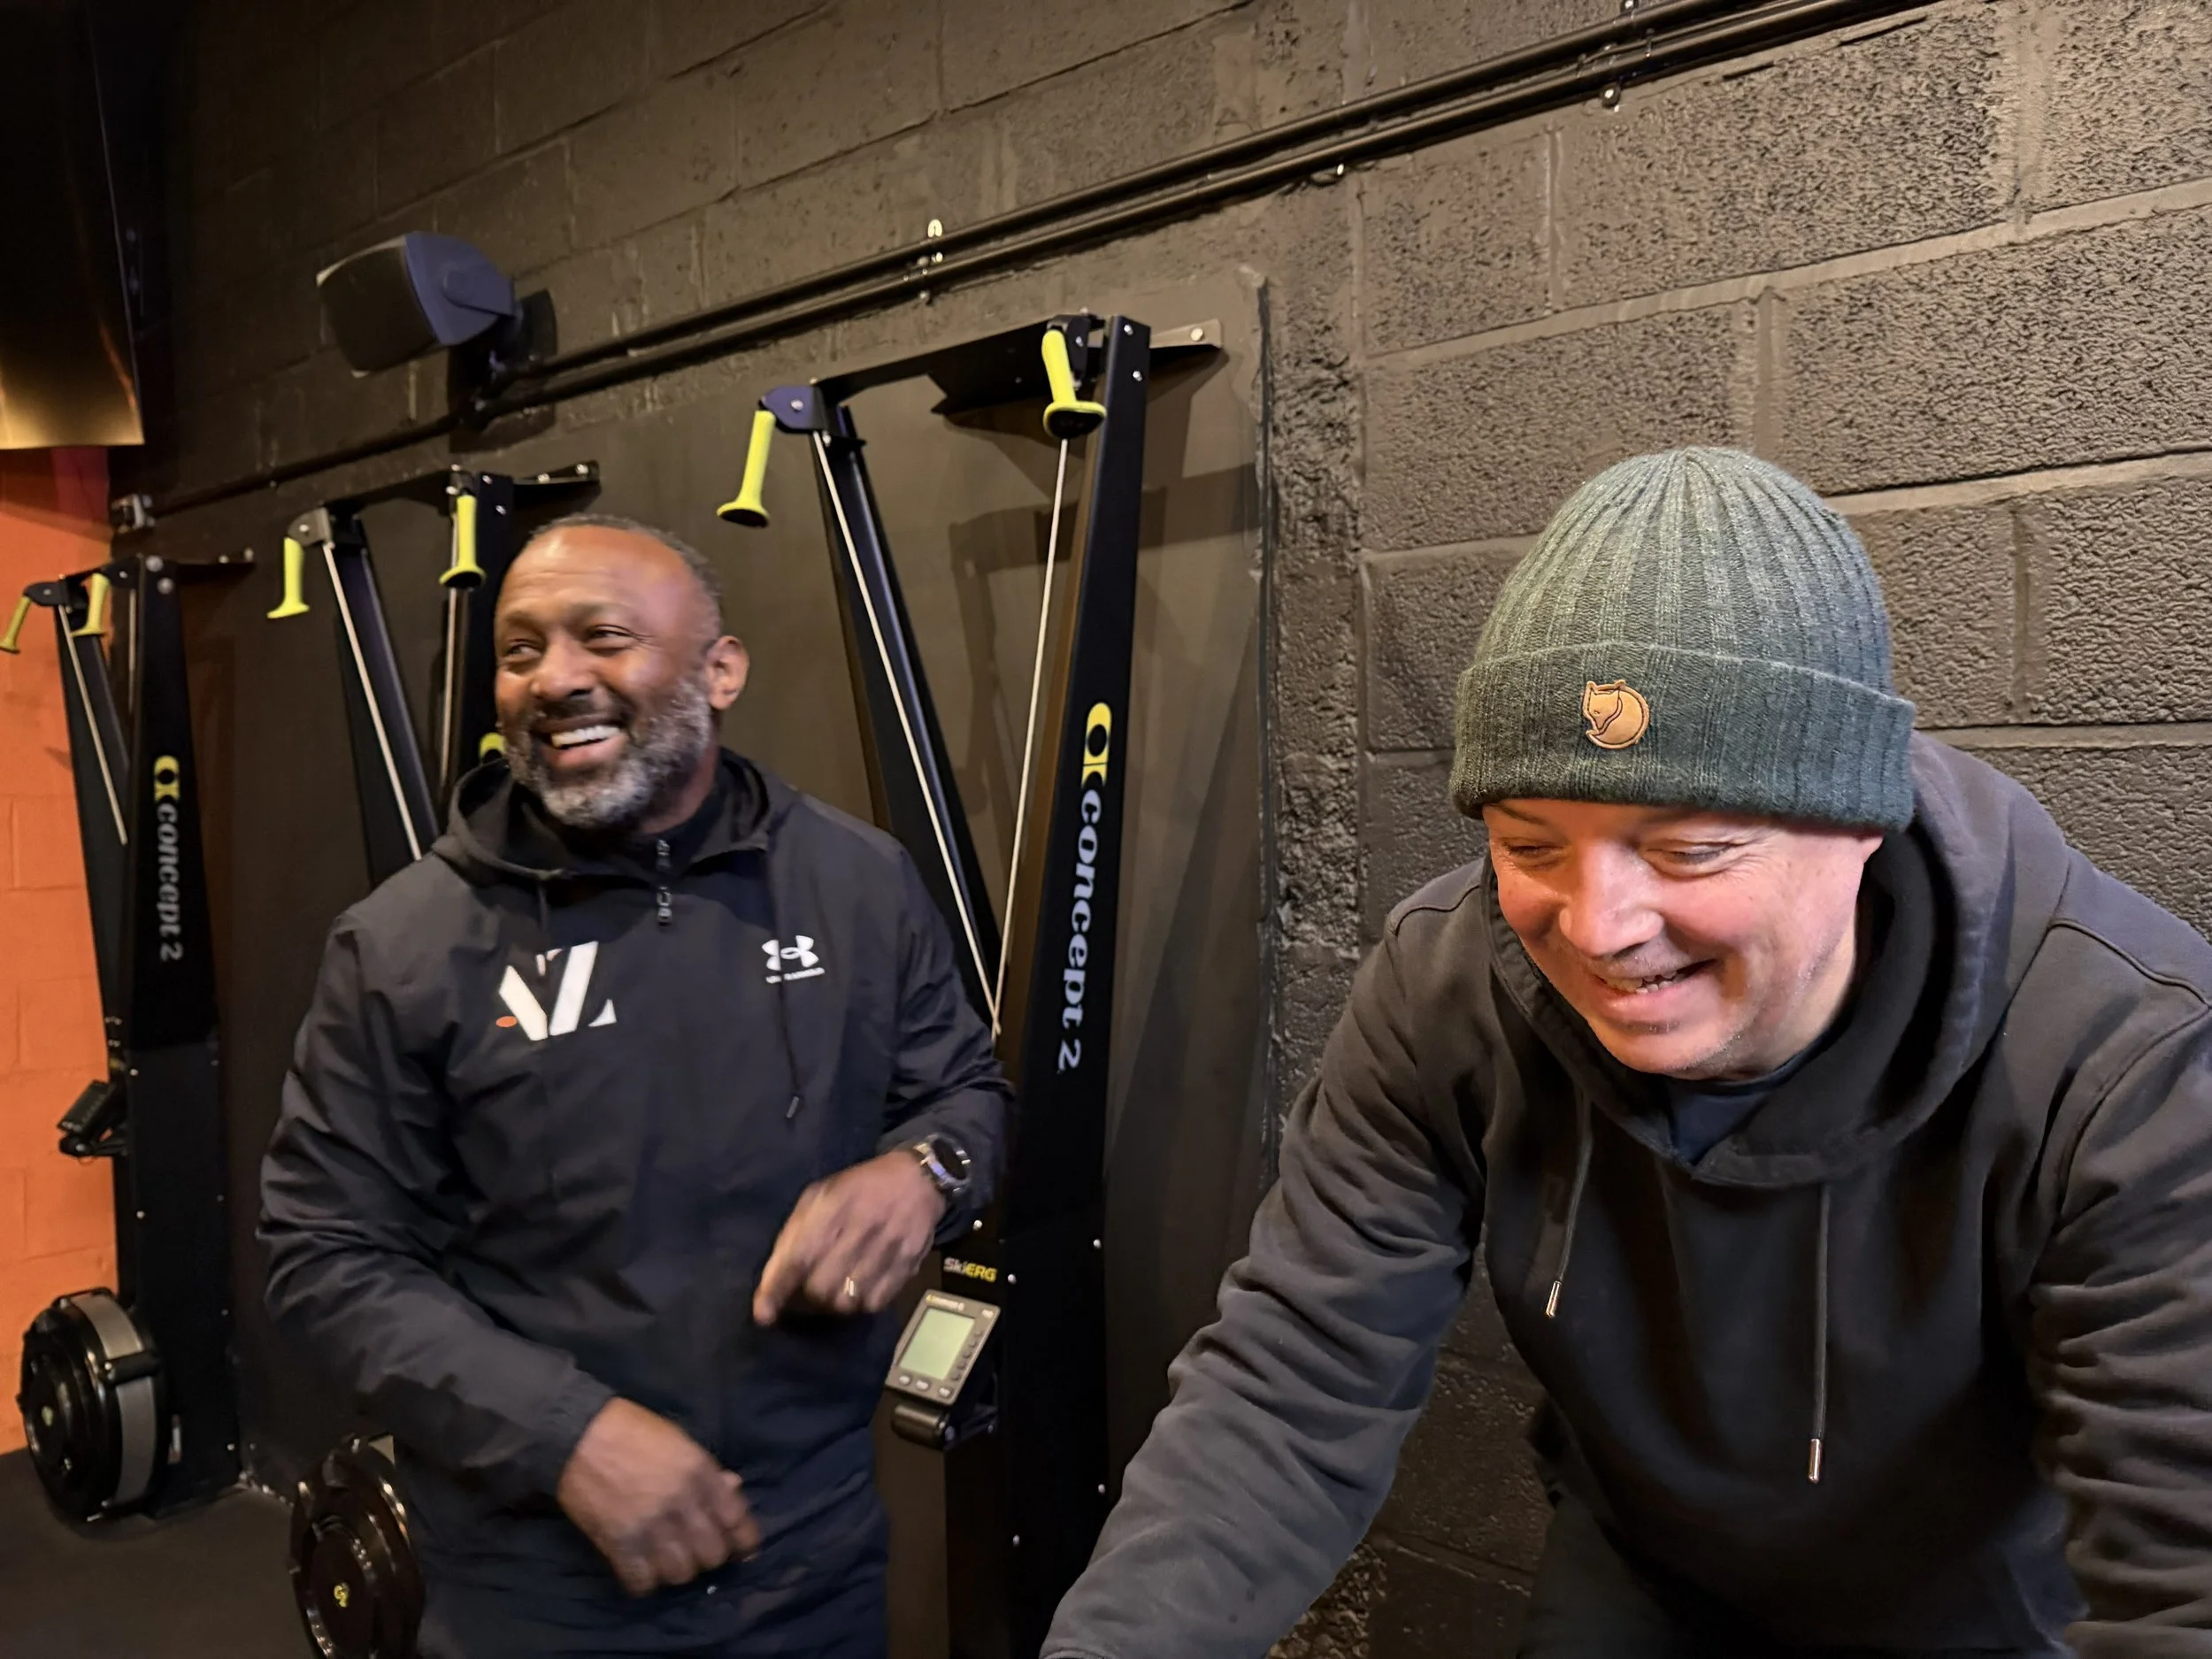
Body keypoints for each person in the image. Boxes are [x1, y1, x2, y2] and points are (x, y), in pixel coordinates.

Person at [1042, 448, 2212, 1657]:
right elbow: (1291, 1382)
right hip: (1642, 1583)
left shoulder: (2127, 1063)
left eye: (1691, 847)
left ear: (1862, 819)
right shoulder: (1446, 985)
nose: (1598, 930)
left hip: (1979, 1622)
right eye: (1531, 842)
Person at [262, 514, 1010, 1657]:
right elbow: (325, 1255)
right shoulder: (408, 945)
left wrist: (926, 1172)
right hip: (543, 1589)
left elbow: (964, 1091)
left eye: (600, 637)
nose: (555, 678)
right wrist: (569, 1433)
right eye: (519, 651)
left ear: (721, 670)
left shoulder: (856, 884)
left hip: (813, 1564)